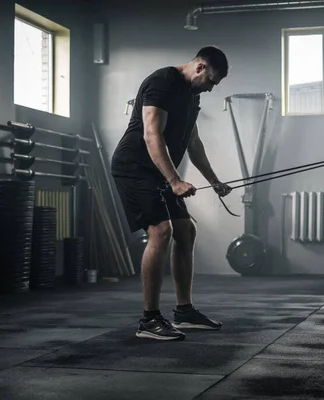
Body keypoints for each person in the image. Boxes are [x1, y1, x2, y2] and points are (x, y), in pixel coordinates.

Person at [110, 46, 233, 341]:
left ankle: (185, 312)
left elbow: (193, 142)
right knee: (161, 231)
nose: (211, 89)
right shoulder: (163, 81)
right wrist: (175, 180)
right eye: (211, 81)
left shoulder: (193, 95)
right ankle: (149, 320)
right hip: (134, 167)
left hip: (158, 172)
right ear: (200, 67)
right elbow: (151, 133)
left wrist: (214, 181)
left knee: (186, 230)